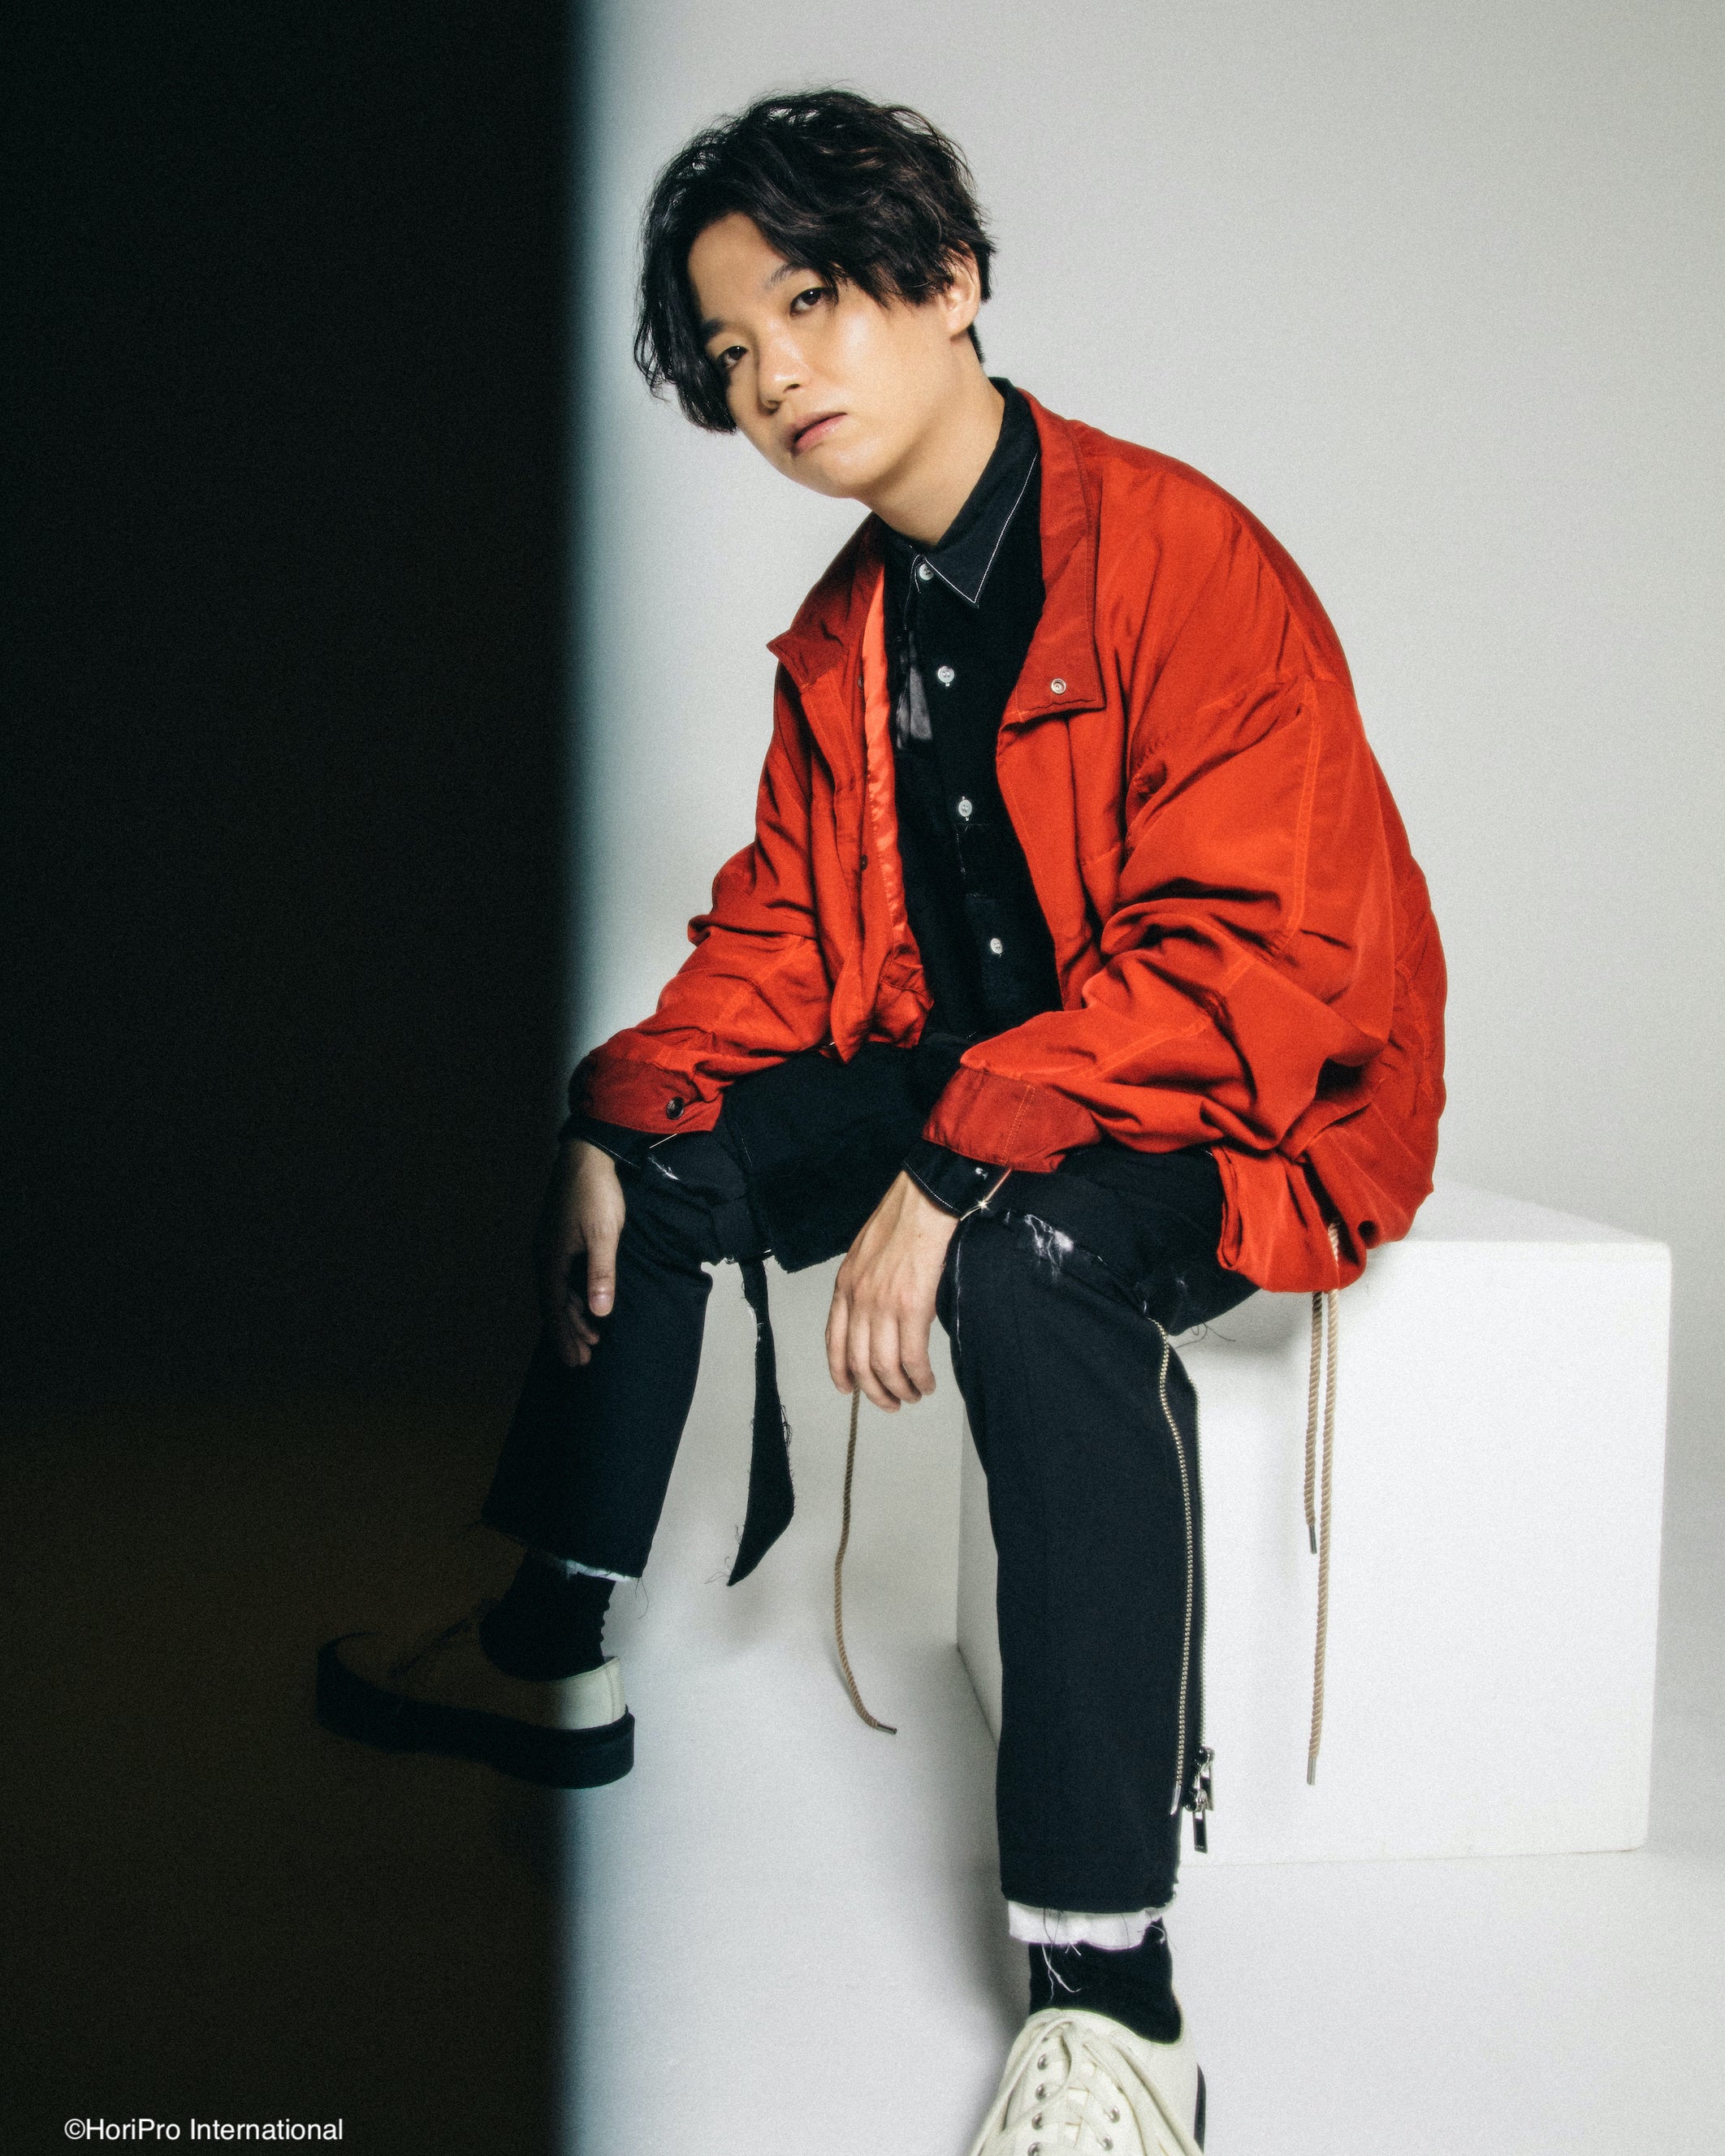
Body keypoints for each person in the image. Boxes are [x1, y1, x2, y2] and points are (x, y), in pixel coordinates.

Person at [317, 89, 1446, 2156]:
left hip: (1246, 1095)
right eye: (731, 349)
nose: (772, 377)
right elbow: (777, 934)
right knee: (661, 1154)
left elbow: (1251, 957)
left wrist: (958, 1163)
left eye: (814, 300)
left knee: (1030, 1264)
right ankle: (547, 1645)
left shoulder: (1182, 555)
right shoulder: (848, 629)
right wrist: (613, 1107)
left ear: (951, 282)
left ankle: (1113, 1997)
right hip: (995, 1078)